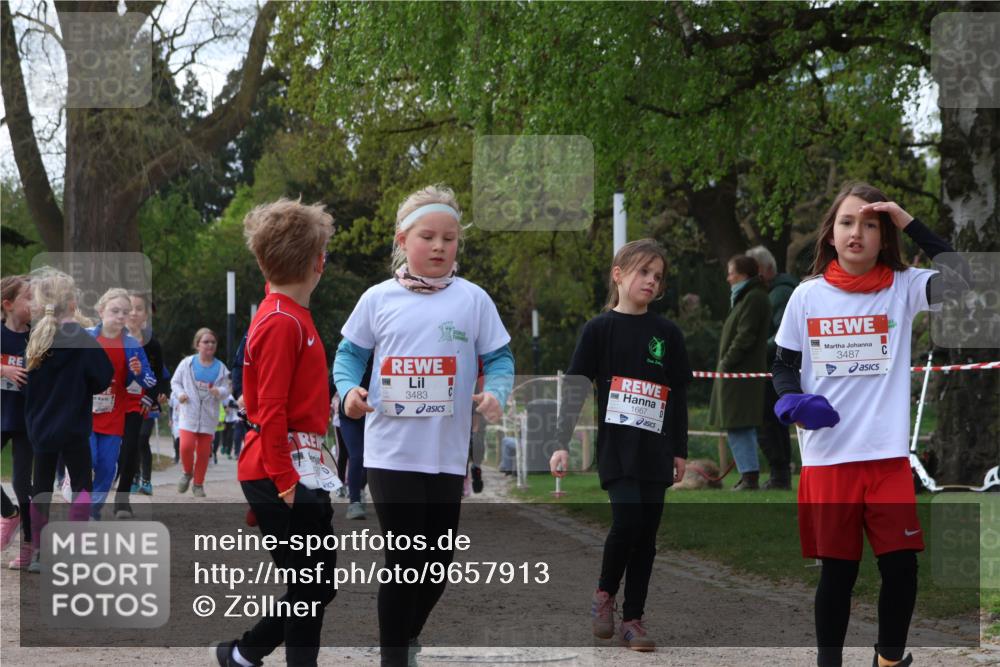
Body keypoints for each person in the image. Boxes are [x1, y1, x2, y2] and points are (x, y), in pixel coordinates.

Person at [771, 182, 962, 667]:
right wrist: (792, 401)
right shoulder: (807, 296)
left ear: (884, 236)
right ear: (830, 235)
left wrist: (907, 219)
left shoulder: (904, 287)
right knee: (838, 575)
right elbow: (783, 365)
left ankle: (888, 660)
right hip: (828, 458)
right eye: (847, 222)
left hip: (886, 458)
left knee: (901, 569)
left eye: (870, 224)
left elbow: (965, 277)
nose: (857, 232)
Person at [334, 185, 513, 667]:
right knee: (405, 560)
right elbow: (349, 356)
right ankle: (394, 657)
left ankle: (408, 635)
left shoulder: (473, 300)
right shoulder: (378, 298)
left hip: (447, 453)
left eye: (449, 239)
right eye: (428, 237)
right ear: (402, 240)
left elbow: (500, 358)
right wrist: (348, 391)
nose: (439, 247)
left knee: (437, 564)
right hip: (391, 450)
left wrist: (496, 392)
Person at [548, 238, 691, 652]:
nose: (651, 281)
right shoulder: (598, 330)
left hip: (656, 451)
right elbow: (575, 388)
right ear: (618, 274)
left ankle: (633, 620)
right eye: (643, 272)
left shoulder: (667, 333)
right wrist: (560, 443)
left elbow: (678, 396)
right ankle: (604, 594)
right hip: (617, 450)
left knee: (646, 536)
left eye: (658, 276)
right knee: (627, 522)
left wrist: (679, 450)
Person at [212, 198, 338, 667]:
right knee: (311, 586)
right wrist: (286, 484)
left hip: (291, 467)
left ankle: (243, 653)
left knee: (316, 585)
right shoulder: (283, 321)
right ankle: (245, 653)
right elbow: (271, 411)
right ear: (318, 262)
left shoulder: (284, 311)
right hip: (281, 472)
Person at [23, 269, 113, 570]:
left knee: (41, 486)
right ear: (73, 303)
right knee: (82, 486)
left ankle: (38, 552)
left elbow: (27, 382)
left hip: (41, 426)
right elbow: (103, 377)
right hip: (74, 425)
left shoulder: (37, 338)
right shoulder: (83, 340)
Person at [86, 288, 157, 520]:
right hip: (85, 414)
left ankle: (93, 510)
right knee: (89, 459)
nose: (120, 316)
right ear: (100, 311)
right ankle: (81, 502)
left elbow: (150, 380)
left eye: (125, 312)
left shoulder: (131, 344)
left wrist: (139, 372)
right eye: (115, 311)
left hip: (114, 414)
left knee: (107, 467)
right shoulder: (87, 338)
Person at [708, 255, 771, 490]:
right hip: (737, 373)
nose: (728, 278)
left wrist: (726, 363)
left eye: (731, 272)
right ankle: (747, 474)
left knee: (739, 423)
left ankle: (749, 477)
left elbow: (746, 335)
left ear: (743, 275)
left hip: (740, 374)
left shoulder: (753, 298)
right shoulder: (748, 297)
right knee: (736, 423)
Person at [746, 245, 799, 489]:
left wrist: (755, 351)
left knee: (769, 423)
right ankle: (780, 475)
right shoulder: (776, 292)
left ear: (763, 269)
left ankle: (780, 475)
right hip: (774, 367)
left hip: (774, 368)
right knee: (773, 423)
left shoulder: (780, 295)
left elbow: (781, 335)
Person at [115, 292, 169, 516]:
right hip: (113, 400)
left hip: (138, 402)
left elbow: (158, 376)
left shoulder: (152, 344)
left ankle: (122, 499)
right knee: (112, 448)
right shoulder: (113, 337)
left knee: (132, 446)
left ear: (146, 314)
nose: (133, 313)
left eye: (139, 309)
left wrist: (151, 397)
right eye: (129, 308)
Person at [171, 328, 230, 498]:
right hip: (188, 413)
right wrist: (180, 394)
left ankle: (198, 484)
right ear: (197, 345)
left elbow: (227, 389)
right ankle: (187, 472)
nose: (210, 345)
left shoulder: (221, 368)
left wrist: (219, 391)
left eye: (213, 342)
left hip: (208, 416)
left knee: (204, 453)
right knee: (186, 446)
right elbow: (175, 382)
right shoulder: (187, 364)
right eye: (206, 342)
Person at [1, 275, 34, 568]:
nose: (35, 303)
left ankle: (29, 544)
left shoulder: (38, 337)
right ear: (8, 304)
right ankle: (9, 514)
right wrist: (4, 370)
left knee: (22, 483)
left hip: (27, 419)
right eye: (29, 298)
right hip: (1, 414)